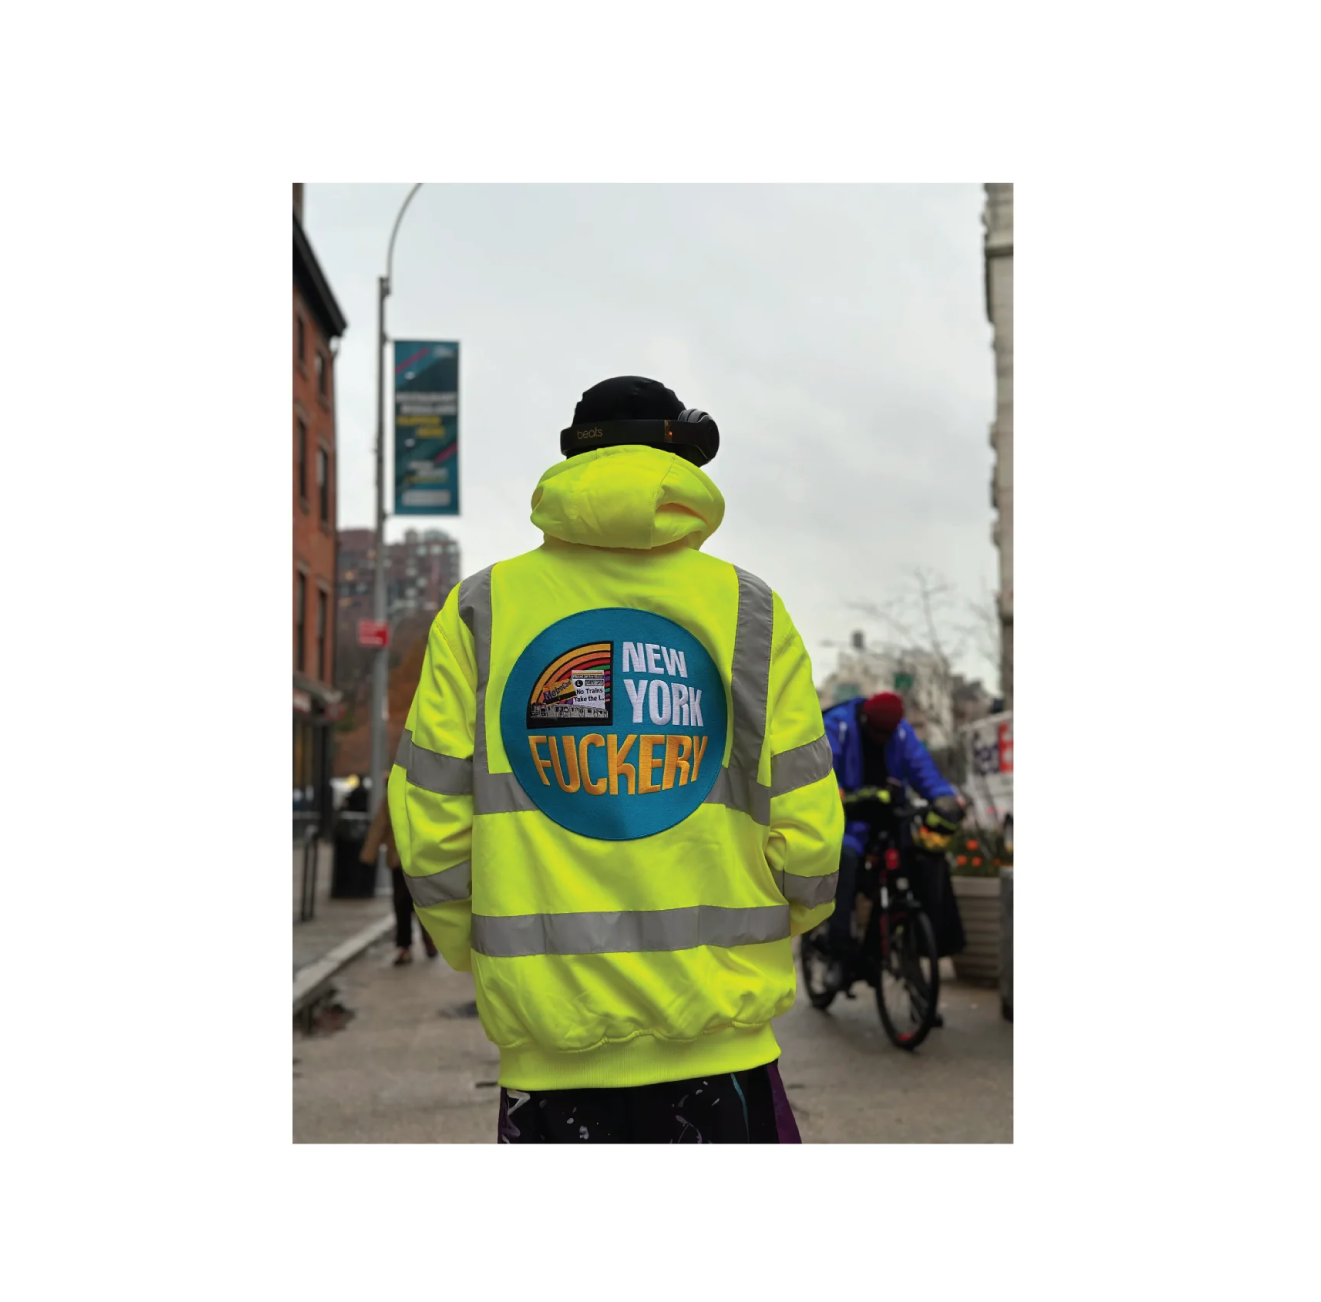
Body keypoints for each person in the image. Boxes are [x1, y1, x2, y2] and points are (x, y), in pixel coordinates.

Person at [390, 376, 843, 1143]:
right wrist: (783, 922)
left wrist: (486, 951)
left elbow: (428, 821)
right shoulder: (750, 611)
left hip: (548, 1054)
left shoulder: (481, 608)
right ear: (681, 467)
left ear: (572, 462)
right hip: (721, 1045)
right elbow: (808, 828)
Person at [820, 692, 965, 1005]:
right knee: (844, 865)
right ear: (864, 721)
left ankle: (914, 955)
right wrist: (846, 796)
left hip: (887, 822)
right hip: (846, 824)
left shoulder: (900, 732)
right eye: (878, 733)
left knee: (920, 864)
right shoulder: (837, 726)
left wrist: (944, 798)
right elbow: (822, 772)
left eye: (888, 734)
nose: (883, 739)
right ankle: (838, 953)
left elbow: (923, 769)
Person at [361, 772, 438, 966]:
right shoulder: (392, 798)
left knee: (423, 903)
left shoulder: (426, 795)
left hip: (422, 860)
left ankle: (428, 939)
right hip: (400, 860)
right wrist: (369, 853)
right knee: (403, 903)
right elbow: (380, 825)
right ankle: (405, 947)